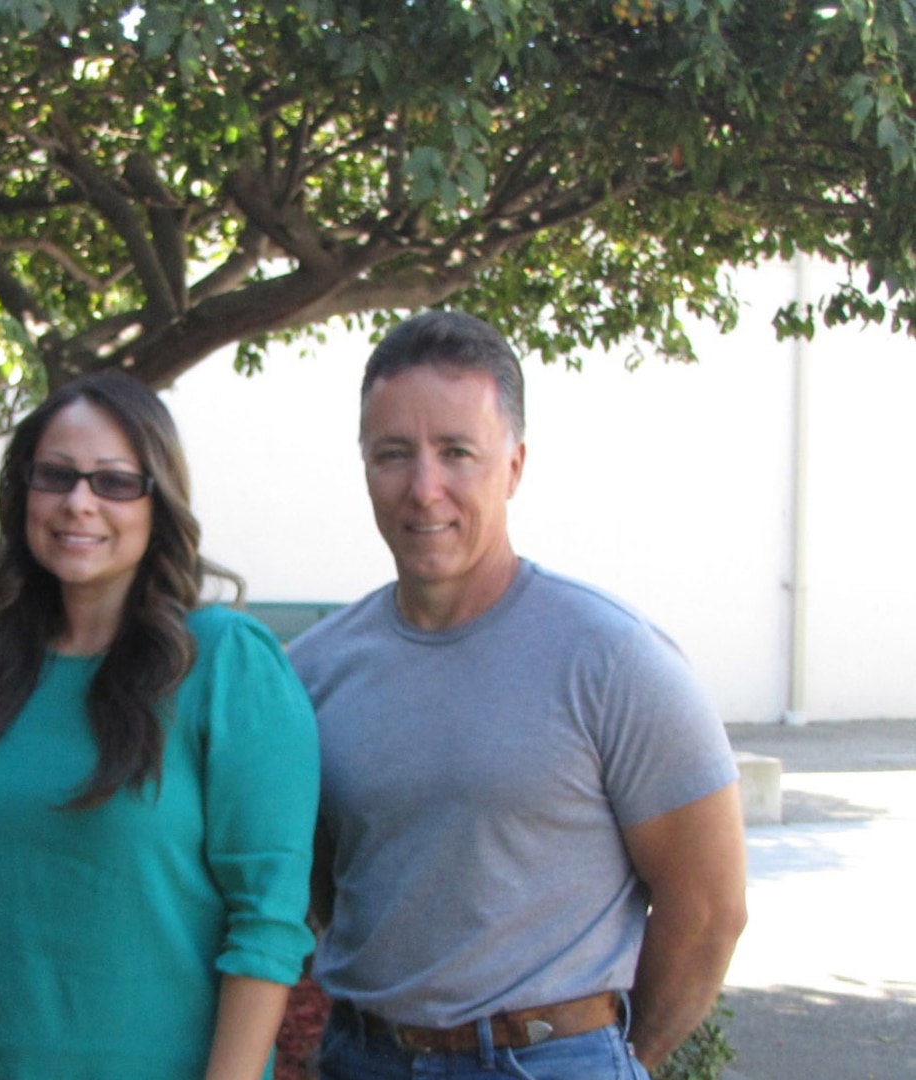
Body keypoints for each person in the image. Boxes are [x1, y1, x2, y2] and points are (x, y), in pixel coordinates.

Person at [291, 310, 748, 1079]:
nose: (422, 488)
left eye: (456, 453)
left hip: (548, 1062)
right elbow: (324, 890)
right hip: (361, 1059)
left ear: (513, 465)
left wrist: (621, 1059)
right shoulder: (312, 671)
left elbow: (708, 910)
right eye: (392, 454)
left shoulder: (612, 659)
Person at [0, 371, 319, 1079]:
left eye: (114, 482)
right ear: (22, 492)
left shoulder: (223, 663)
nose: (77, 503)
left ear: (159, 503)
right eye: (55, 476)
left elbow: (267, 922)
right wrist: (3, 943)